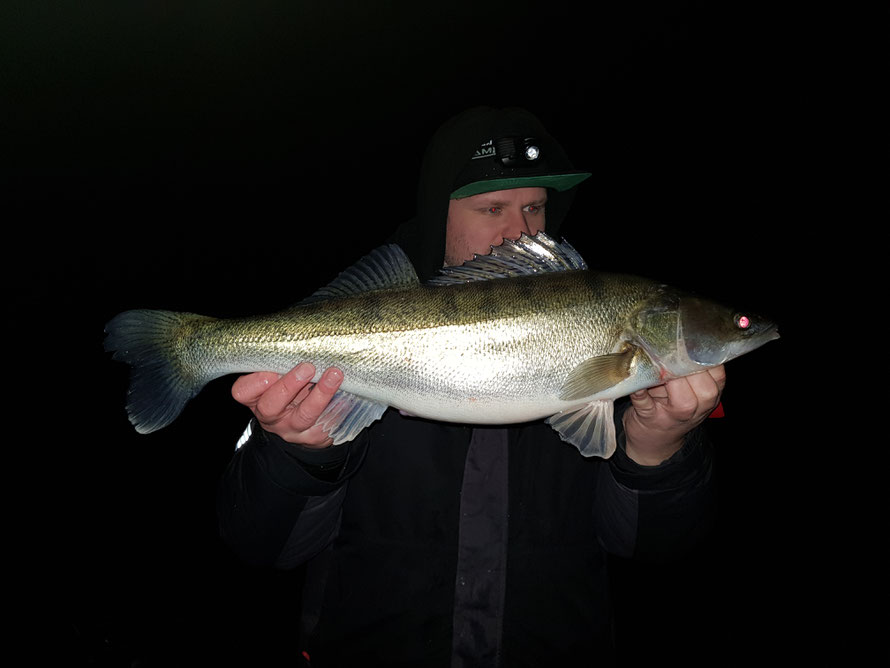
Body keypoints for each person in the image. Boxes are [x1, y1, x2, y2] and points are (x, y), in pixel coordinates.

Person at [217, 107, 723, 667]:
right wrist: (296, 454)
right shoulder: (343, 356)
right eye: (491, 208)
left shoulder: (614, 369)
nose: (520, 230)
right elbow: (264, 547)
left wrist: (656, 451)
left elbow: (651, 552)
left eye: (535, 207)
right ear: (440, 214)